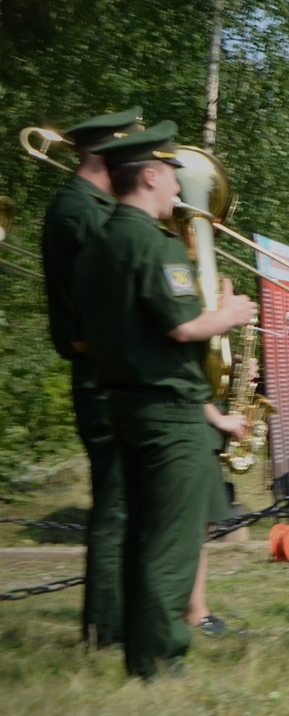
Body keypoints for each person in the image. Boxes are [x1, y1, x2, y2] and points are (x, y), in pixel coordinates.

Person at [73, 123, 259, 679]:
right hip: (167, 411)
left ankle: (138, 650)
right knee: (173, 539)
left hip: (123, 403)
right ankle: (160, 657)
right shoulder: (153, 243)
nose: (179, 188)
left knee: (138, 534)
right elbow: (181, 328)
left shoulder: (101, 240)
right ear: (150, 174)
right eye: (174, 176)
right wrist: (228, 315)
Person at [37, 106, 147, 649]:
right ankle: (106, 626)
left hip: (108, 368)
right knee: (116, 501)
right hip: (101, 373)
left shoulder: (90, 205)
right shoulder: (80, 211)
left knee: (125, 497)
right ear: (110, 154)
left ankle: (119, 616)